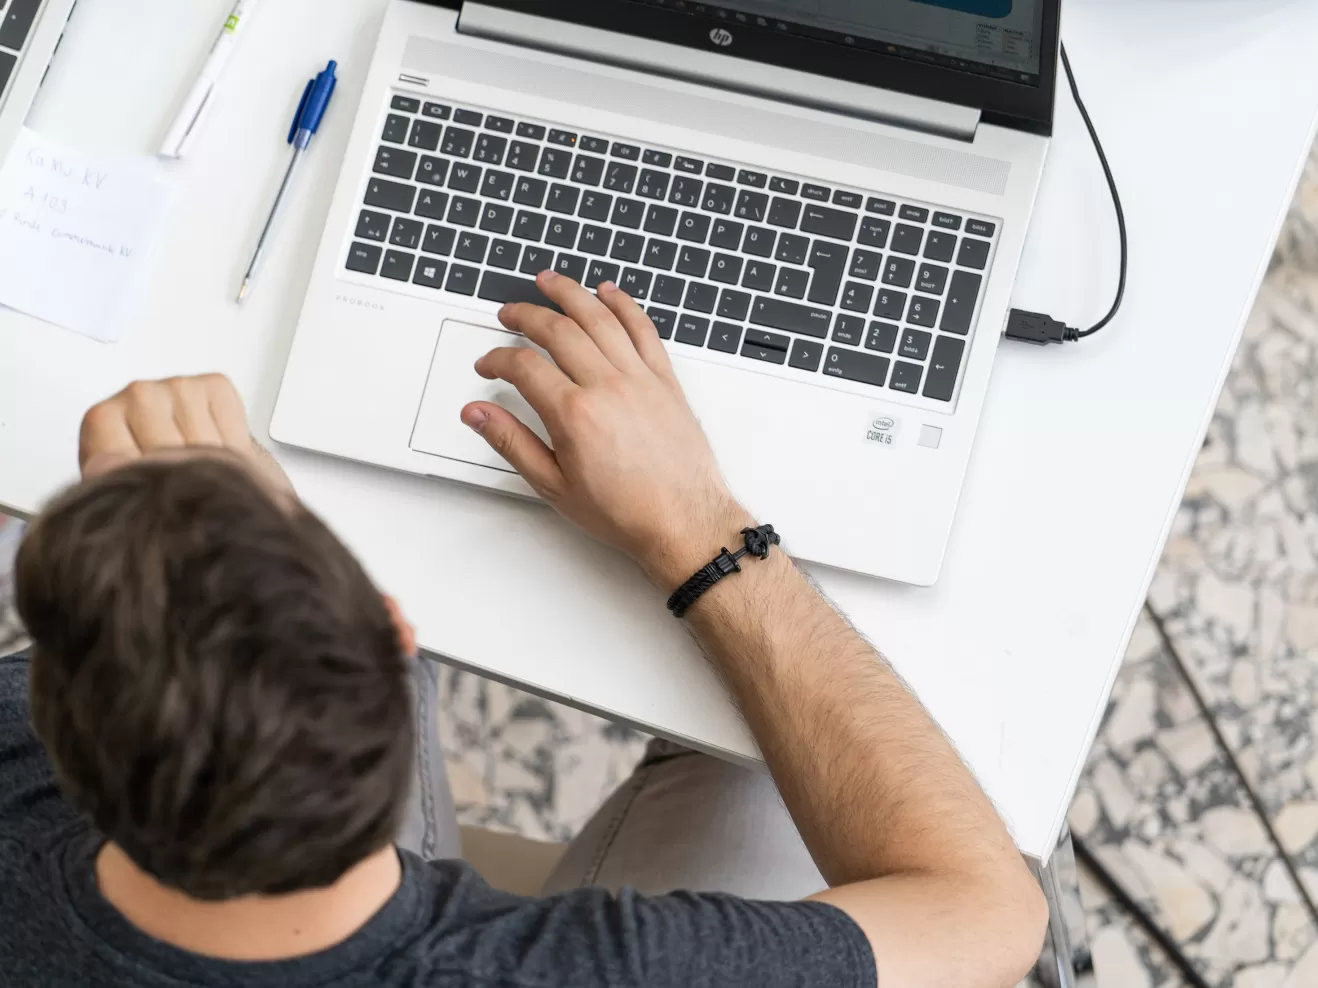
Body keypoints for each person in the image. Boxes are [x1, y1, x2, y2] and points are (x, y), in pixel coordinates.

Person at [1, 271, 1047, 987]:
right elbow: (992, 916)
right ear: (395, 631)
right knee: (767, 754)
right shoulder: (584, 971)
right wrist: (696, 527)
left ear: (51, 709)